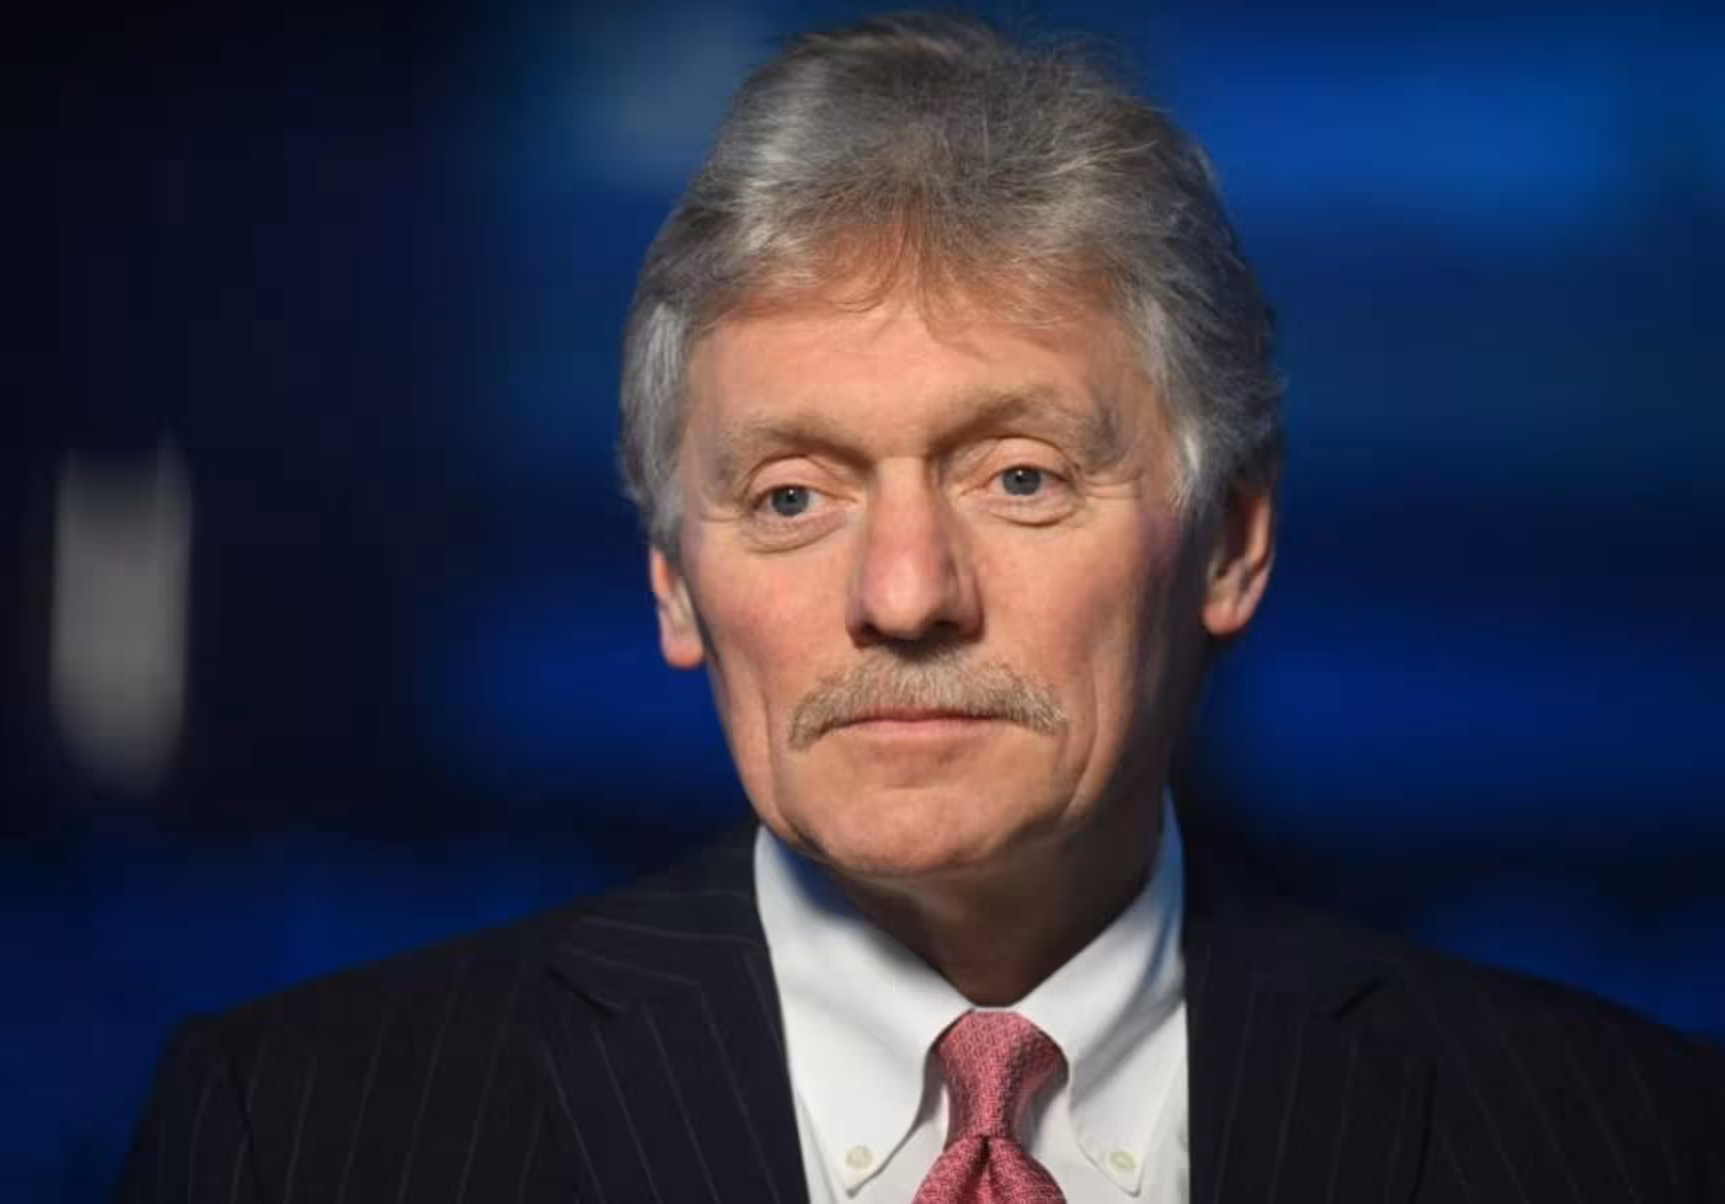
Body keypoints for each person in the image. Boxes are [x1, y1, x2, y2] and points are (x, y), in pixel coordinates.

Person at [115, 13, 1723, 1202]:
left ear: (1233, 544)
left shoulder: (1622, 1145)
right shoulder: (299, 1138)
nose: (903, 597)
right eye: (791, 497)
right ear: (672, 580)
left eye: (1019, 477)